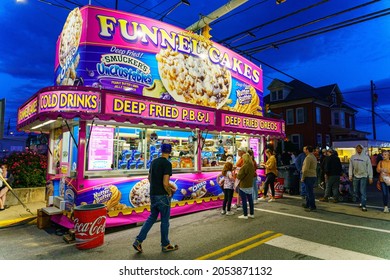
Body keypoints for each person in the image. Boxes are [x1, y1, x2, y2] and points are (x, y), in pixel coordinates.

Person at [132, 143, 178, 253]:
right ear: (170, 152)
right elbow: (166, 183)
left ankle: (138, 241)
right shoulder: (167, 164)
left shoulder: (154, 162)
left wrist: (156, 187)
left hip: (153, 194)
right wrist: (169, 192)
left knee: (152, 218)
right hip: (163, 196)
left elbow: (149, 178)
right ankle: (165, 245)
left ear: (161, 151)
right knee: (165, 221)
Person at [348, 144, 373, 212]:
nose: (358, 149)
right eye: (357, 148)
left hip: (364, 176)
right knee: (355, 191)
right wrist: (350, 175)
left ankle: (364, 205)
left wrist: (370, 177)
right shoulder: (353, 157)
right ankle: (361, 201)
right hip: (356, 175)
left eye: (360, 148)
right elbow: (350, 167)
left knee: (363, 191)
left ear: (362, 149)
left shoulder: (366, 157)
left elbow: (369, 167)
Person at [236, 153, 256, 219]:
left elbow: (239, 176)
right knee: (250, 200)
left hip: (243, 185)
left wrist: (237, 174)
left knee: (244, 201)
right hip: (250, 185)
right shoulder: (252, 166)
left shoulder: (244, 166)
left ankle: (245, 215)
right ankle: (252, 214)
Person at [301, 146, 317, 211]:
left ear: (307, 150)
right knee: (309, 191)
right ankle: (308, 204)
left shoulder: (308, 158)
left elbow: (305, 169)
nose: (303, 150)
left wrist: (303, 177)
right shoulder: (313, 156)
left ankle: (312, 206)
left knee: (309, 192)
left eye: (304, 149)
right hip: (313, 175)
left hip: (309, 176)